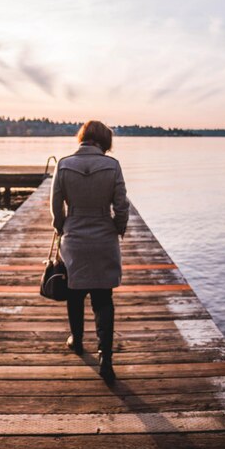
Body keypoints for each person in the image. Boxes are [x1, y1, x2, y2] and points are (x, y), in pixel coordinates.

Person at [50, 120, 129, 383]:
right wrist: (118, 229)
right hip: (104, 235)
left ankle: (77, 340)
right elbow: (121, 206)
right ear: (104, 141)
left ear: (82, 137)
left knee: (74, 292)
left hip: (74, 236)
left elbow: (55, 208)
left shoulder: (63, 164)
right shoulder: (113, 165)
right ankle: (105, 357)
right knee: (103, 298)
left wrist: (62, 230)